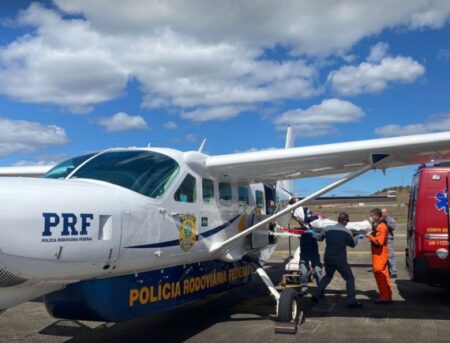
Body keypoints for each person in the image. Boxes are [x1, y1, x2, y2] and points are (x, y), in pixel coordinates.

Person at [312, 212, 362, 308]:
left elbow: (319, 238)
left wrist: (311, 234)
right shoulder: (347, 232)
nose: (348, 222)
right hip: (340, 260)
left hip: (328, 258)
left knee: (327, 277)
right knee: (350, 279)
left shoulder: (327, 229)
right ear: (344, 221)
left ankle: (316, 294)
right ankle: (351, 302)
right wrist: (356, 237)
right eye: (347, 221)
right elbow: (352, 245)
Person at [289, 197, 322, 295]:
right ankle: (304, 288)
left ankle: (321, 289)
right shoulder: (295, 214)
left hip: (313, 248)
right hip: (304, 251)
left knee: (317, 271)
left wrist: (316, 218)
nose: (300, 202)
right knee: (303, 271)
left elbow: (312, 217)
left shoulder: (305, 210)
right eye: (297, 201)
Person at [368, 208, 392, 304]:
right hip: (380, 253)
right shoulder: (380, 225)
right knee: (384, 275)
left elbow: (379, 241)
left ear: (377, 216)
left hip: (379, 254)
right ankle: (387, 294)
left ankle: (384, 297)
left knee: (380, 274)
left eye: (372, 215)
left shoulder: (381, 226)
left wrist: (369, 236)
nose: (371, 217)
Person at [382, 208, 397, 278]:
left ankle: (393, 271)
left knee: (390, 255)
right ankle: (386, 271)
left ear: (386, 213)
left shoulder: (390, 219)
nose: (382, 214)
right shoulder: (380, 220)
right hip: (381, 239)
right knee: (383, 256)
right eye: (381, 213)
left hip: (389, 239)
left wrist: (386, 223)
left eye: (384, 213)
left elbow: (393, 228)